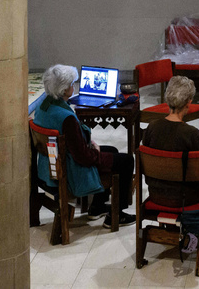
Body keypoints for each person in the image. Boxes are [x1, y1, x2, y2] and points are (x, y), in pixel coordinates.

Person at [33, 65, 136, 226]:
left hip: (49, 168)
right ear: (64, 89)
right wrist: (95, 152)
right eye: (71, 84)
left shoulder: (43, 106)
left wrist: (91, 145)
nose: (73, 87)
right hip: (71, 169)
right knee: (127, 161)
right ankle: (116, 216)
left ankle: (97, 207)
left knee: (112, 150)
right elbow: (82, 157)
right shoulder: (67, 118)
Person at [141, 76, 199, 206]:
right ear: (189, 103)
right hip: (186, 199)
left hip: (156, 194)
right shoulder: (192, 134)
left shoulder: (152, 127)